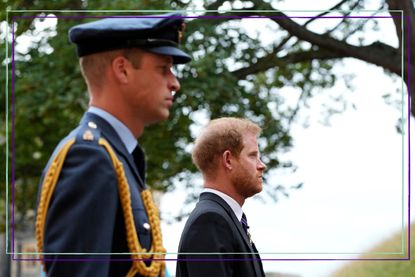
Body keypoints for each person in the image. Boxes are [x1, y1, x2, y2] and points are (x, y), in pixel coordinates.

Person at [35, 12, 191, 277]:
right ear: (122, 70)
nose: (174, 83)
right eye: (163, 69)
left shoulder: (117, 155)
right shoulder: (90, 156)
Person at [176, 117, 267, 277]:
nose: (261, 165)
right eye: (253, 155)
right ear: (228, 160)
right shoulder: (210, 221)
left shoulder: (225, 219)